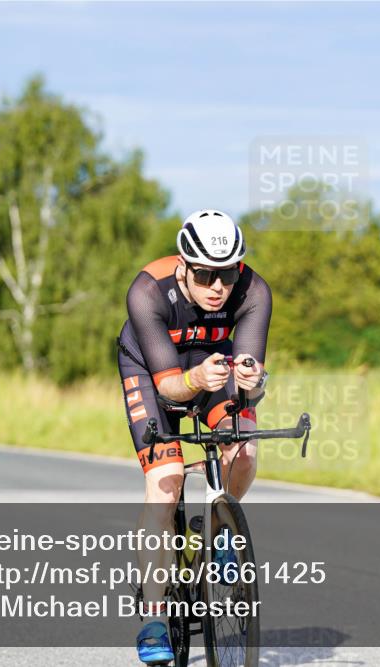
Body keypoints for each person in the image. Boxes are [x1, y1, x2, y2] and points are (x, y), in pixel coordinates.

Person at [117, 209, 272, 664]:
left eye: (227, 273)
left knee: (242, 446)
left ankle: (222, 529)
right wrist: (198, 379)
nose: (218, 286)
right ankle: (154, 617)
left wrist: (253, 380)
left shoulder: (254, 290)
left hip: (213, 366)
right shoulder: (148, 290)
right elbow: (168, 388)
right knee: (164, 484)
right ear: (184, 265)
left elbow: (251, 386)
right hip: (152, 371)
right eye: (205, 274)